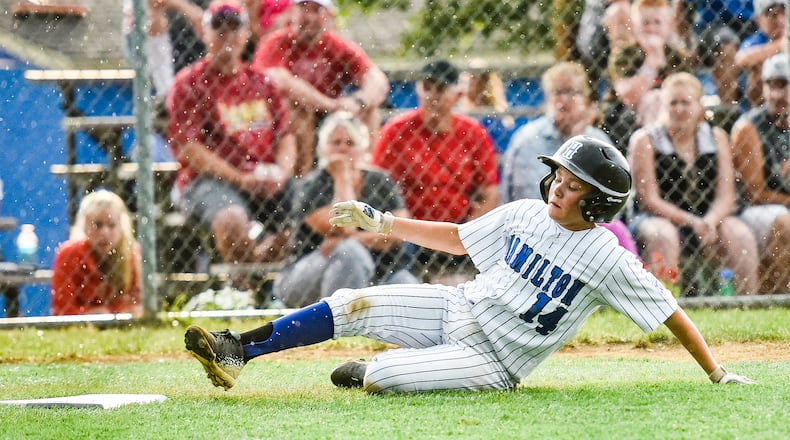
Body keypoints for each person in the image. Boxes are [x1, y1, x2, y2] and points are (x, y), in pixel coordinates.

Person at [184, 136, 756, 393]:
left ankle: (385, 365)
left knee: (379, 377)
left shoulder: (608, 259)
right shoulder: (529, 211)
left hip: (496, 359)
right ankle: (240, 349)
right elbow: (457, 239)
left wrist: (715, 371)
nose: (559, 186)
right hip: (457, 307)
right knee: (351, 302)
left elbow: (670, 312)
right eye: (559, 174)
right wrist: (382, 221)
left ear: (600, 202)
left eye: (574, 184)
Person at [167, 0, 297, 267]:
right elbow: (189, 148)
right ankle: (245, 289)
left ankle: (264, 282)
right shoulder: (189, 83)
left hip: (264, 176)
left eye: (235, 28)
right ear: (205, 34)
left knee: (310, 208)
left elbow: (286, 136)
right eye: (219, 29)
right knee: (232, 220)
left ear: (246, 34)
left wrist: (282, 173)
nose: (228, 36)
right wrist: (240, 179)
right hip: (208, 181)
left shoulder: (262, 82)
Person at [628, 72, 759, 295]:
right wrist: (690, 221)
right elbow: (648, 199)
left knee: (740, 234)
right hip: (657, 218)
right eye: (673, 103)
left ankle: (747, 304)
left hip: (707, 217)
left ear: (699, 106)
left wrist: (709, 221)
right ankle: (665, 305)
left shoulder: (715, 136)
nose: (679, 109)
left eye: (686, 102)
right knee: (664, 234)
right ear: (663, 106)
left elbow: (726, 195)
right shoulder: (646, 139)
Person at [371, 59, 500, 281]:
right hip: (410, 232)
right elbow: (376, 185)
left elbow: (490, 191)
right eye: (427, 87)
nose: (432, 95)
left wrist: (469, 230)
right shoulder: (396, 131)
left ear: (457, 95)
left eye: (440, 89)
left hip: (459, 230)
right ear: (418, 91)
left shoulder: (472, 133)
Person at [273, 112, 418, 308]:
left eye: (350, 143)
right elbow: (345, 227)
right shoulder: (311, 186)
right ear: (323, 149)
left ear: (362, 148)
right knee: (350, 253)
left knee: (411, 294)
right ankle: (338, 324)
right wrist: (341, 176)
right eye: (336, 142)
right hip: (309, 277)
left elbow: (399, 232)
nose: (343, 148)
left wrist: (354, 238)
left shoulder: (380, 181)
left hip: (382, 272)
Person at [502, 61, 640, 257]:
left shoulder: (599, 141)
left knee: (617, 231)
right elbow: (524, 200)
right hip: (535, 232)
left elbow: (613, 205)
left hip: (588, 233)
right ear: (548, 98)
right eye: (558, 92)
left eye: (572, 92)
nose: (564, 99)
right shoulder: (527, 140)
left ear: (585, 98)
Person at [253, 0, 390, 177]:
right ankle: (302, 180)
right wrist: (328, 104)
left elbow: (377, 80)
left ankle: (366, 175)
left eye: (317, 10)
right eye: (304, 9)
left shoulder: (337, 44)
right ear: (292, 13)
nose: (310, 17)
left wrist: (358, 101)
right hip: (283, 119)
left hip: (330, 115)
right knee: (296, 108)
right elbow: (280, 80)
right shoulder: (275, 42)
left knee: (370, 112)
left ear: (329, 16)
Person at [730, 53, 790, 293]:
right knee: (785, 222)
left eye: (784, 85)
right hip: (753, 210)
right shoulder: (750, 127)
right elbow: (754, 193)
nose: (776, 95)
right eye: (770, 85)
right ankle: (783, 298)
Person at [601, 0, 693, 152]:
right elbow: (629, 96)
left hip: (669, 114)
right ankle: (655, 155)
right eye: (645, 23)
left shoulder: (677, 56)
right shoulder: (624, 53)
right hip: (625, 118)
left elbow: (687, 92)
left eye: (657, 22)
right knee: (652, 100)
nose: (651, 28)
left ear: (668, 25)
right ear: (634, 26)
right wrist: (652, 62)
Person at [51, 190, 142, 316]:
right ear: (85, 225)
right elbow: (62, 309)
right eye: (97, 225)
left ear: (122, 226)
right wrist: (91, 315)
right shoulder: (69, 254)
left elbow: (137, 303)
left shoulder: (130, 252)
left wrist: (111, 314)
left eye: (111, 225)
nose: (104, 233)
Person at [734, 0, 788, 108]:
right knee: (757, 66)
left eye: (784, 13)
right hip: (762, 104)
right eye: (773, 15)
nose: (780, 20)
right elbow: (742, 59)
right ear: (759, 20)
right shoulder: (757, 40)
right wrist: (780, 46)